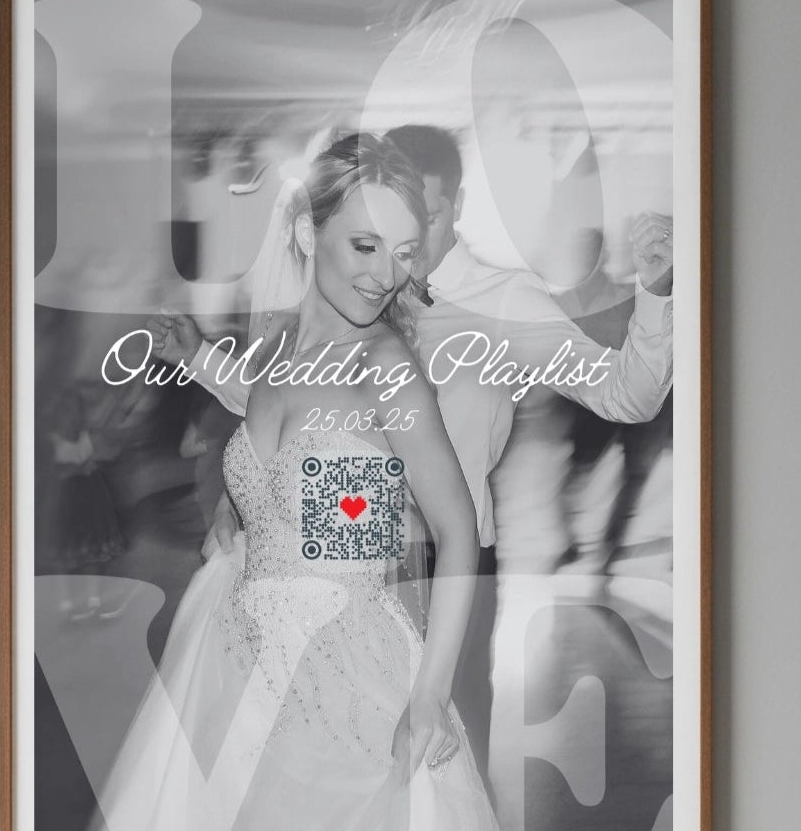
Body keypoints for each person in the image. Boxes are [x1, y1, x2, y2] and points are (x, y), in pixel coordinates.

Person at [70, 133, 533, 831]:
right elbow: (278, 432)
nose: (386, 275)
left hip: (348, 679)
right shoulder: (285, 347)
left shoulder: (389, 370)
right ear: (306, 231)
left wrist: (427, 697)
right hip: (237, 670)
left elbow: (456, 533)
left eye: (404, 252)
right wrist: (237, 496)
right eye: (365, 244)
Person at [176, 124, 675, 772]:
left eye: (425, 220)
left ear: (457, 208)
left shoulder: (504, 304)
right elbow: (292, 412)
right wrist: (200, 369)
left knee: (442, 772)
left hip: (448, 565)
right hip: (340, 571)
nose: (398, 256)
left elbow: (626, 396)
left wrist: (658, 295)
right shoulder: (355, 295)